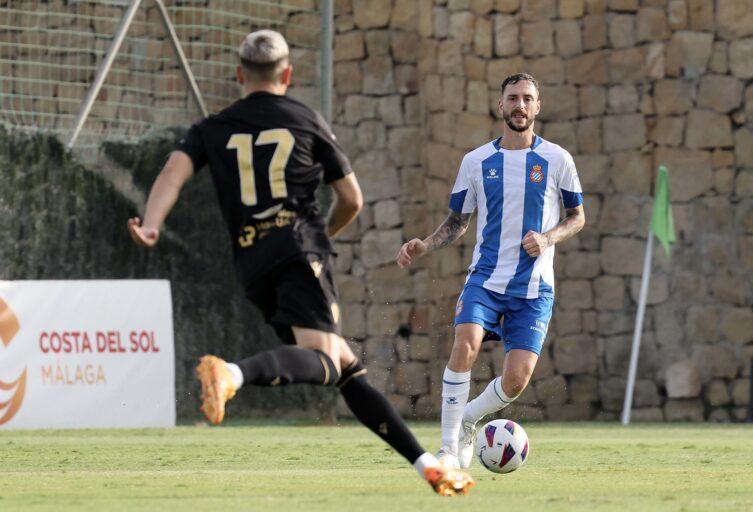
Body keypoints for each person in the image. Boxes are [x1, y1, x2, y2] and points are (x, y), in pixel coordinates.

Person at [127, 29, 472, 496]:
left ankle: (428, 466)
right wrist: (321, 237)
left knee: (347, 369)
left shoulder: (213, 127)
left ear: (238, 76)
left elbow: (173, 172)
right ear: (288, 74)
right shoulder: (304, 119)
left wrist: (151, 224)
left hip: (252, 264)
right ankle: (232, 373)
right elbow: (351, 198)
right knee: (326, 361)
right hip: (298, 250)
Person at [396, 73, 586, 469]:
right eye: (512, 98)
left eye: (527, 99)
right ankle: (449, 449)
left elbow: (577, 217)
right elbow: (457, 221)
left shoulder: (557, 160)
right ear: (500, 106)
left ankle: (468, 419)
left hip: (534, 287)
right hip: (485, 278)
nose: (519, 105)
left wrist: (548, 238)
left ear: (538, 106)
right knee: (464, 342)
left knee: (516, 381)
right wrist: (425, 244)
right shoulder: (477, 161)